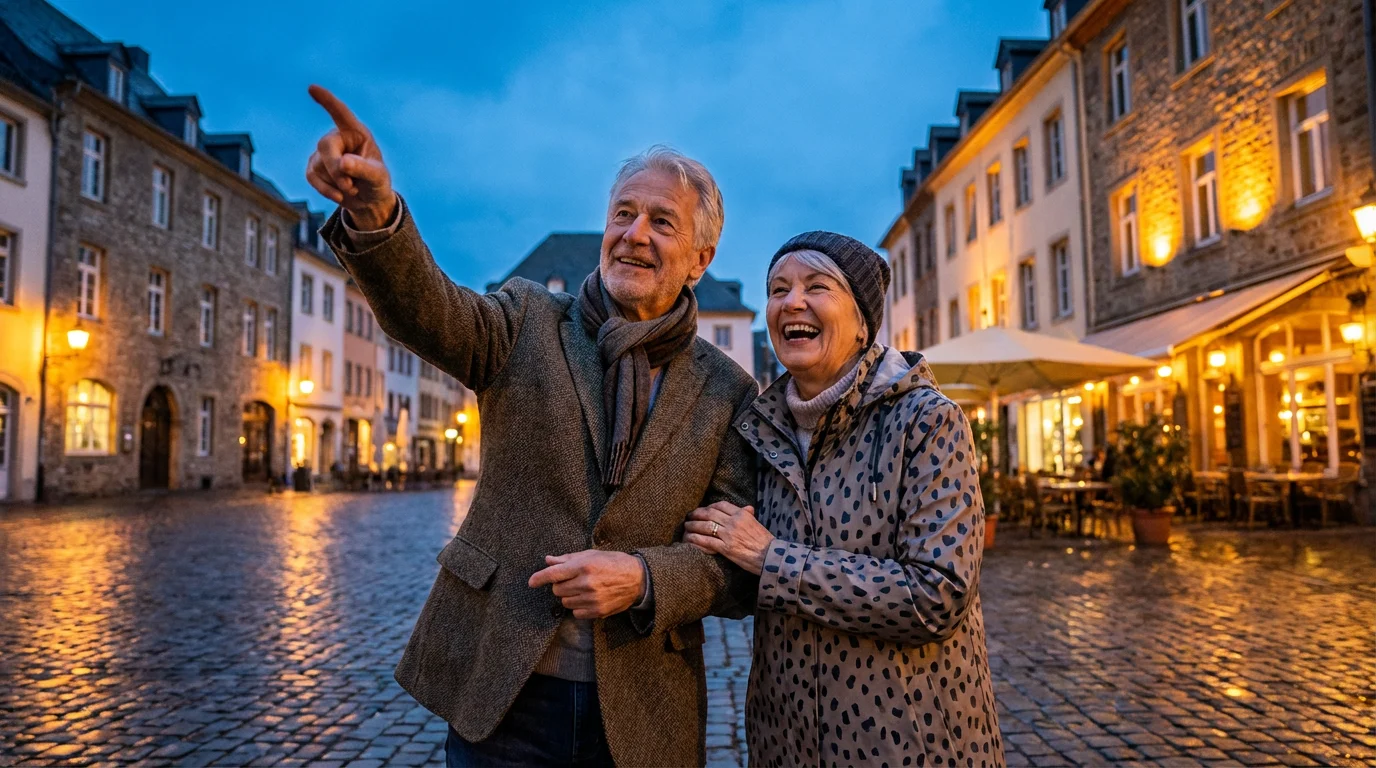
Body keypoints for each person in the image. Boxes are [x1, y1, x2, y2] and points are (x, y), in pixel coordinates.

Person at [305, 85, 759, 767]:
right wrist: (376, 214)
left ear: (701, 258)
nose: (634, 234)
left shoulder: (727, 391)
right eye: (623, 214)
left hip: (640, 710)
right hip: (504, 693)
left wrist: (643, 577)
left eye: (662, 222)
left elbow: (735, 570)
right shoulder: (526, 321)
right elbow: (428, 309)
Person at [685, 233, 1004, 767]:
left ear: (862, 322)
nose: (792, 302)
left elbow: (937, 594)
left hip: (908, 744)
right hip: (786, 742)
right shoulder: (762, 432)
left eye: (817, 286)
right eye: (778, 289)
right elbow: (739, 582)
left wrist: (772, 559)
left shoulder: (926, 421)